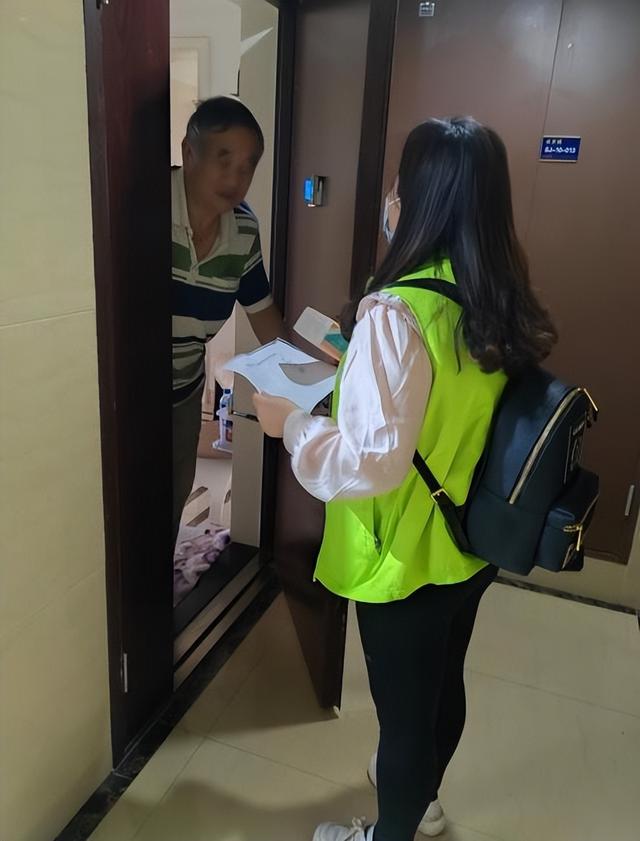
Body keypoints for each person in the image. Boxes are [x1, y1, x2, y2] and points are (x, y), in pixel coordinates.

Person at [253, 117, 557, 841]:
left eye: (399, 182)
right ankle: (424, 802)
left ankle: (391, 828)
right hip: (467, 539)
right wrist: (356, 368)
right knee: (441, 684)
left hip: (402, 555)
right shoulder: (492, 293)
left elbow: (370, 463)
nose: (390, 197)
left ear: (420, 198)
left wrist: (288, 425)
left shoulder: (397, 310)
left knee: (402, 718)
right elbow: (443, 406)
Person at [172, 96, 285, 545]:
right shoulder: (145, 205)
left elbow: (264, 316)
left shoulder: (243, 231)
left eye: (247, 167)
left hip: (183, 390)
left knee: (169, 502)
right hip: (121, 393)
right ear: (189, 152)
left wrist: (307, 385)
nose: (236, 179)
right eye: (224, 161)